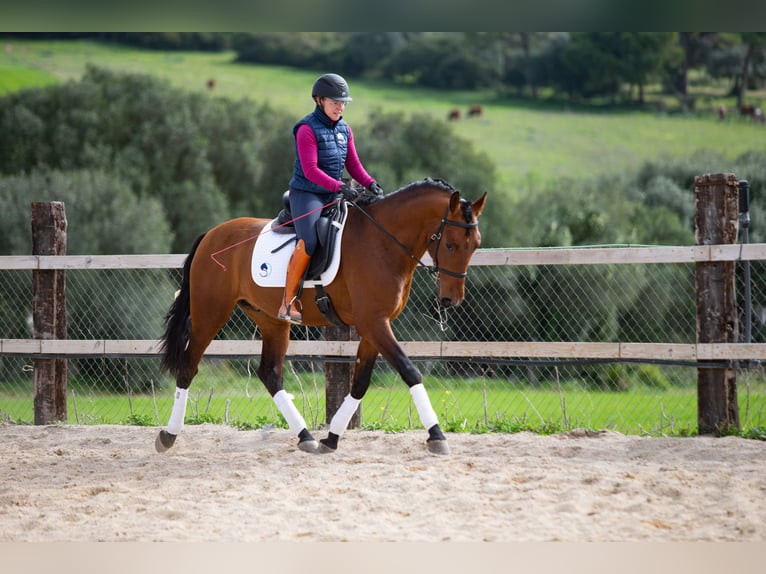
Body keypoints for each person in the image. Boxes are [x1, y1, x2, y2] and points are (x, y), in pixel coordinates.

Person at [278, 73, 384, 324]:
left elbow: (353, 163)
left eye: (343, 102)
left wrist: (370, 182)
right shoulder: (306, 129)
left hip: (334, 192)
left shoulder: (345, 129)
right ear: (319, 100)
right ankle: (287, 302)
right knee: (311, 241)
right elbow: (311, 169)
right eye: (335, 102)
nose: (340, 106)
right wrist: (339, 186)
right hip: (307, 193)